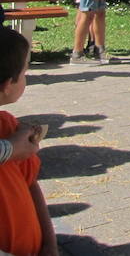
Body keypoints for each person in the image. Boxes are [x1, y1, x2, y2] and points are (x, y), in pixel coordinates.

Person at [0, 27, 57, 256]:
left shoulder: (8, 127)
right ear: (7, 84)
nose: (26, 78)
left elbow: (31, 183)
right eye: (24, 72)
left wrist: (50, 244)